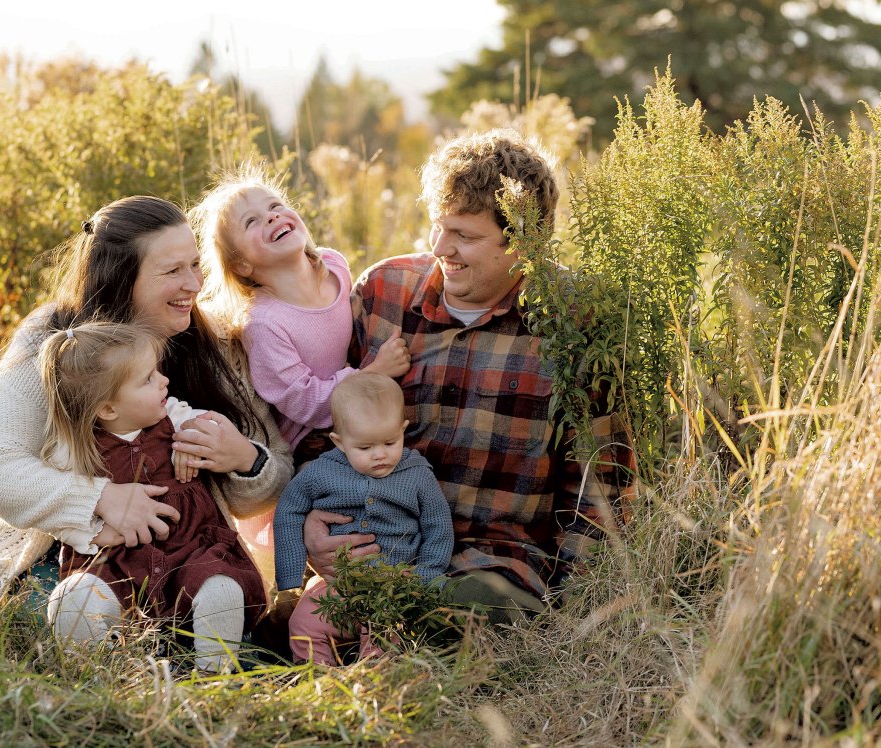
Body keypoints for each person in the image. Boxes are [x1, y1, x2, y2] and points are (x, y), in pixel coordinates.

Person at [304, 129, 635, 624]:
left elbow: (598, 482)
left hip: (495, 564)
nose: (442, 247)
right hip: (377, 538)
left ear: (525, 242)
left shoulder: (574, 322)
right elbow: (315, 419)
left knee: (447, 623)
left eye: (465, 235)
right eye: (438, 227)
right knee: (295, 628)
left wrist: (573, 607)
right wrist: (311, 522)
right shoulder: (382, 293)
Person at [0, 196, 292, 633]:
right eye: (172, 271)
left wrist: (244, 458)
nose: (193, 283)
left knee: (212, 617)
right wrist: (100, 500)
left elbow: (279, 473)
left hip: (188, 557)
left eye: (194, 264)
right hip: (67, 559)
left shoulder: (215, 346)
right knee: (53, 620)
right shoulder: (54, 339)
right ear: (120, 279)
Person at [37, 321, 266, 671]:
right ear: (108, 409)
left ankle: (214, 675)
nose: (164, 381)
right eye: (147, 379)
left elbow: (213, 424)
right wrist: (90, 532)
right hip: (116, 565)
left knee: (222, 591)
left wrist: (192, 440)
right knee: (71, 601)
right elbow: (56, 507)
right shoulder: (70, 451)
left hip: (191, 553)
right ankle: (99, 675)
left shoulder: (174, 415)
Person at [193, 168, 410, 467]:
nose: (271, 216)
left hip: (364, 415)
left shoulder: (334, 267)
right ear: (242, 264)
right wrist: (374, 374)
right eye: (252, 221)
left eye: (275, 206)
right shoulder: (265, 323)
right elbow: (303, 402)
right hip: (315, 440)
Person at [274, 372, 452, 665]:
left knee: (386, 630)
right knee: (303, 623)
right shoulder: (321, 473)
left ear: (402, 430)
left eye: (389, 442)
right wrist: (291, 572)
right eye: (365, 448)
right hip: (342, 585)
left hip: (397, 581)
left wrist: (428, 574)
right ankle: (320, 684)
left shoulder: (417, 474)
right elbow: (289, 509)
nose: (380, 455)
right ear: (340, 442)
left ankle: (373, 685)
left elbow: (438, 525)